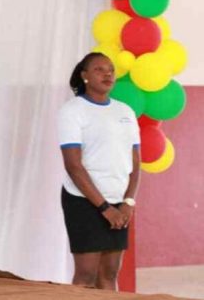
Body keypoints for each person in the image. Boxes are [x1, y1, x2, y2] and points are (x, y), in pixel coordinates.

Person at [58, 52, 141, 290]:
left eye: (111, 70)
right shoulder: (73, 111)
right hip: (84, 201)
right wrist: (105, 208)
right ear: (84, 76)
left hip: (119, 203)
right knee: (86, 275)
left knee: (109, 273)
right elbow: (73, 166)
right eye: (99, 69)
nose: (107, 74)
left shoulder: (125, 112)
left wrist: (128, 203)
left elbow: (136, 164)